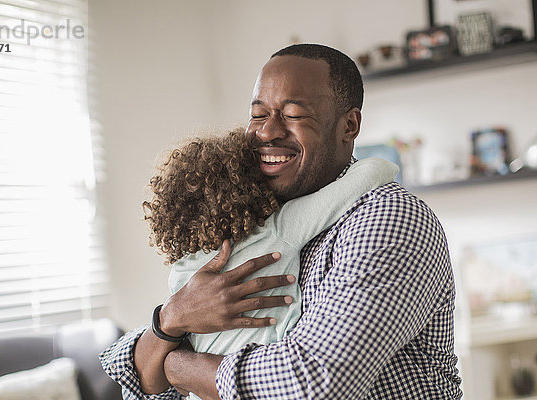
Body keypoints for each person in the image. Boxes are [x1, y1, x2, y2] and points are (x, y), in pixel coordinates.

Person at [100, 44, 463, 400]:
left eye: (293, 114)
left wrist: (180, 368)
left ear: (348, 125)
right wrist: (172, 318)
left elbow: (315, 385)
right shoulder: (245, 219)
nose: (268, 131)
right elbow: (136, 380)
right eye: (258, 115)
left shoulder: (388, 218)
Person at [143, 130, 397, 368]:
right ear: (249, 188)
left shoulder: (181, 272)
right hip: (264, 379)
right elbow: (378, 170)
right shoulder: (275, 231)